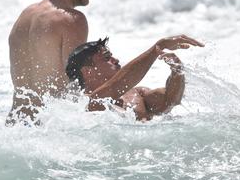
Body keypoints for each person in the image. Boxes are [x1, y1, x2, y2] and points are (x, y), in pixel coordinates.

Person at [7, 0, 99, 125]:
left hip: (16, 127)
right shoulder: (72, 20)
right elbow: (81, 88)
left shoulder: (26, 16)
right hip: (50, 131)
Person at [65, 35, 204, 120]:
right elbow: (116, 86)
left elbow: (170, 101)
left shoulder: (136, 94)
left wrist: (177, 71)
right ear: (88, 71)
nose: (116, 60)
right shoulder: (84, 104)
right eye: (107, 58)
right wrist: (159, 47)